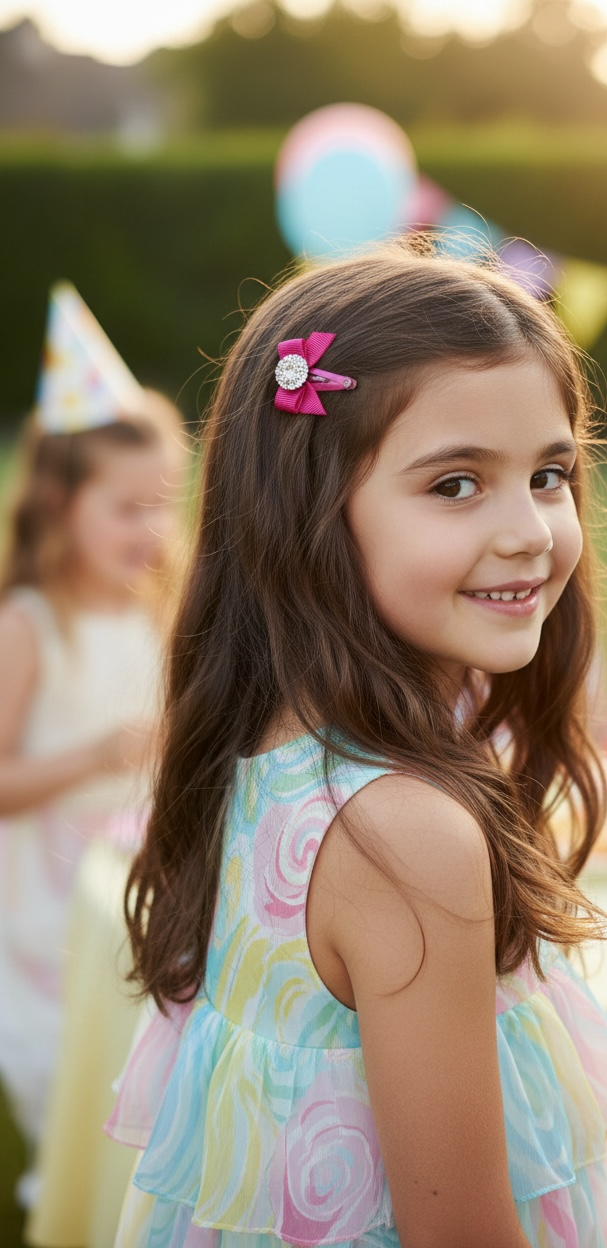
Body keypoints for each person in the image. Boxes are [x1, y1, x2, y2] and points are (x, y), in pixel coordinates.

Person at [107, 243, 607, 1248]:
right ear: (308, 517)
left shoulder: (276, 739)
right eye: (454, 485)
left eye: (549, 473)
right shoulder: (405, 837)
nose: (531, 529)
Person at [0, 282, 188, 1194]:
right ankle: (65, 1181)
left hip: (137, 869)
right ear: (59, 500)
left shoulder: (159, 615)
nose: (154, 529)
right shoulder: (31, 624)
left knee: (142, 1039)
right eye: (128, 507)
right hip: (47, 890)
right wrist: (96, 756)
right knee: (64, 1049)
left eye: (166, 505)